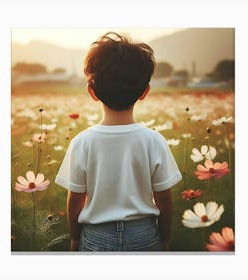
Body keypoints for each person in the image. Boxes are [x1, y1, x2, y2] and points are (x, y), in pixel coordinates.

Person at [55, 32, 182, 252]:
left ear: (92, 92)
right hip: (144, 234)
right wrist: (165, 238)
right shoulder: (154, 140)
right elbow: (164, 199)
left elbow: (75, 199)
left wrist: (75, 238)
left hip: (96, 236)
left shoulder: (82, 142)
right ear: (144, 92)